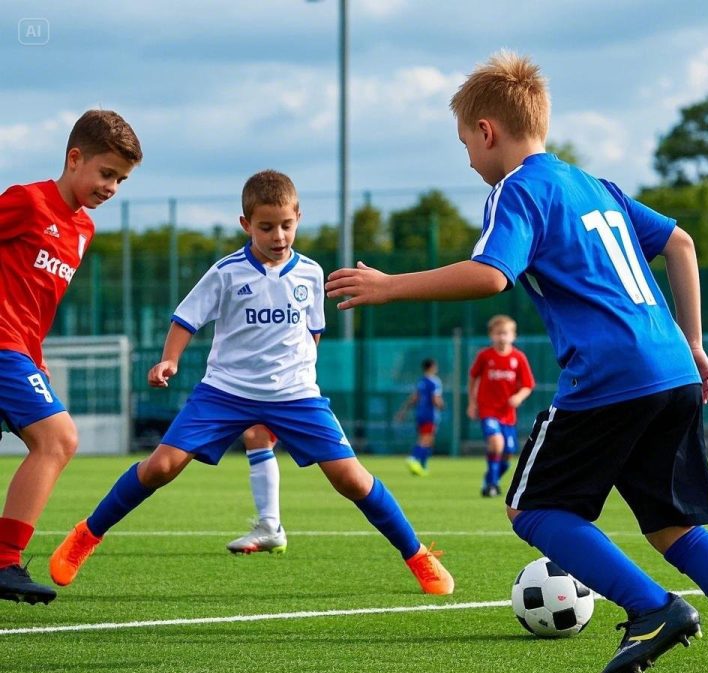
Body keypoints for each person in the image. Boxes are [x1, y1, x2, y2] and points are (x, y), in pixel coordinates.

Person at [325, 50, 708, 673]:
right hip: (670, 367)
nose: (470, 161)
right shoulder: (593, 185)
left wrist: (392, 285)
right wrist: (693, 342)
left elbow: (491, 274)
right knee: (676, 528)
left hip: (612, 374)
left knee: (533, 508)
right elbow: (681, 242)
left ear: (487, 131)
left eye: (465, 145)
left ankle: (651, 608)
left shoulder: (519, 189)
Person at [49, 170, 454, 596]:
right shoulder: (226, 272)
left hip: (296, 396)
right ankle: (86, 536)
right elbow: (186, 318)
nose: (278, 235)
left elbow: (313, 331)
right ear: (246, 224)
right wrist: (169, 360)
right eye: (266, 227)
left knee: (352, 479)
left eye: (286, 224)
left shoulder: (312, 274)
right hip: (226, 392)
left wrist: (295, 374)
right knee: (161, 467)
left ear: (298, 216)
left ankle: (418, 555)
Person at [0, 109, 142, 606]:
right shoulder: (27, 202)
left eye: (121, 180)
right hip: (3, 348)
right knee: (59, 438)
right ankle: (4, 561)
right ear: (74, 158)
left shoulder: (84, 230)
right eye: (106, 174)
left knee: (55, 441)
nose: (112, 188)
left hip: (21, 354)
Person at [467, 314, 534, 497]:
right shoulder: (485, 356)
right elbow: (473, 378)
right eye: (498, 333)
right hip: (488, 409)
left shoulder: (518, 358)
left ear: (513, 336)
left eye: (505, 333)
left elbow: (528, 384)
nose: (502, 337)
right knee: (497, 443)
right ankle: (492, 485)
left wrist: (519, 396)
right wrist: (472, 403)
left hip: (508, 414)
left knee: (508, 453)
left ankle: (490, 479)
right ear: (491, 335)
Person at [226, 424, 287, 554]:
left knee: (340, 475)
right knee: (256, 435)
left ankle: (270, 528)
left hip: (297, 404)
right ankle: (270, 527)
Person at [395, 358, 444, 477]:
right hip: (430, 415)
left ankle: (422, 466)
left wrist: (403, 411)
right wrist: (441, 405)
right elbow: (435, 399)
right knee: (425, 439)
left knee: (429, 441)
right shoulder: (434, 382)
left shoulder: (421, 381)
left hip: (420, 414)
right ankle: (413, 458)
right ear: (432, 367)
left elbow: (414, 398)